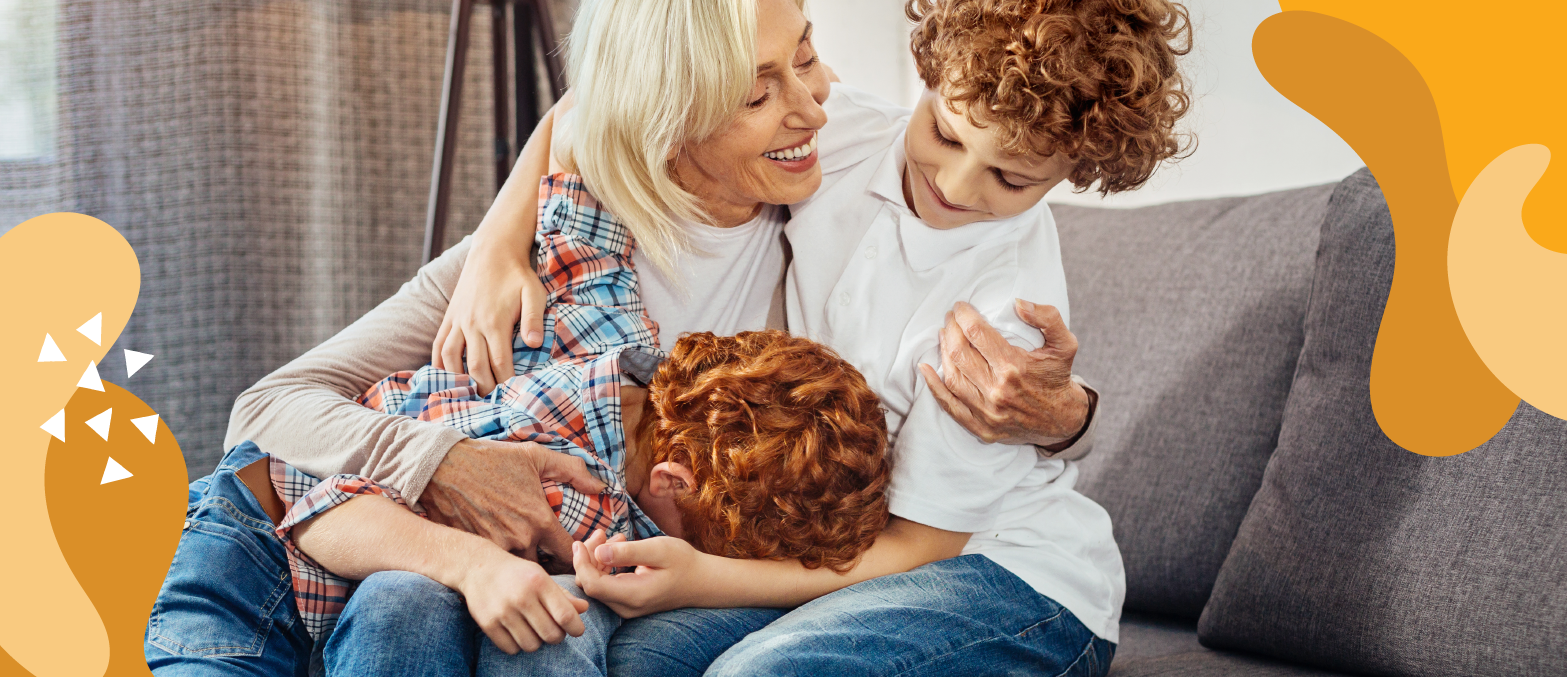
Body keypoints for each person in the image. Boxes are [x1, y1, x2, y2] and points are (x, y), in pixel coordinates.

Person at [145, 0, 1109, 674]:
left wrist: (1066, 415)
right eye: (760, 89)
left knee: (552, 632)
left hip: (632, 554)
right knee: (414, 604)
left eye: (808, 56)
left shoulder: (820, 192)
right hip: (315, 530)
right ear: (673, 113)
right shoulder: (558, 256)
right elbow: (264, 412)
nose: (816, 105)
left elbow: (935, 497)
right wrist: (493, 245)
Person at [447, 0, 1191, 675]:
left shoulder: (1001, 317)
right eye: (944, 132)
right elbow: (614, 100)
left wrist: (702, 577)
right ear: (928, 78)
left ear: (1070, 172)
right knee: (635, 660)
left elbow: (920, 545)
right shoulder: (844, 135)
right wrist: (497, 244)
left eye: (1011, 178)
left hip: (1010, 576)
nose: (957, 186)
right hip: (836, 552)